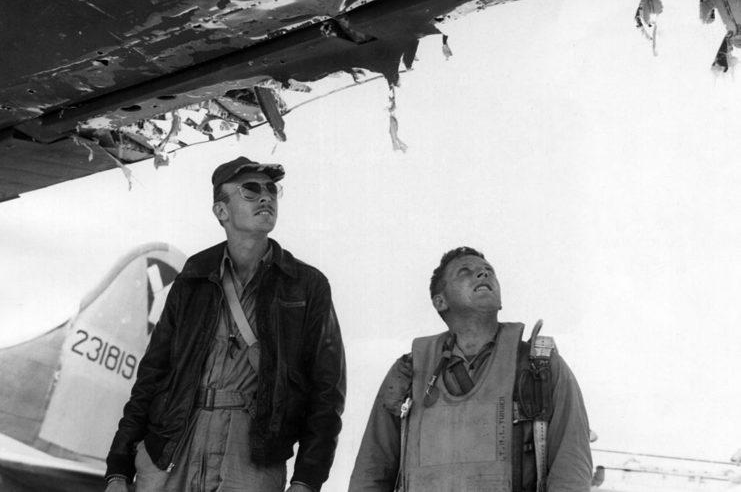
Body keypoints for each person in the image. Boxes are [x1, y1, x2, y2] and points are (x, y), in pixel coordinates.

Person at [104, 156, 346, 492]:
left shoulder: (306, 285)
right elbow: (152, 374)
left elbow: (327, 393)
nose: (266, 197)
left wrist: (307, 480)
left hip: (251, 460)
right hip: (171, 450)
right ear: (221, 211)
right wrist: (118, 468)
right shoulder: (193, 276)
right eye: (250, 191)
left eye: (271, 191)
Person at [349, 246, 592, 492]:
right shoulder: (408, 373)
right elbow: (371, 471)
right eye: (465, 272)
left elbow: (571, 465)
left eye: (489, 271)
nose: (483, 275)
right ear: (440, 301)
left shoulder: (539, 365)